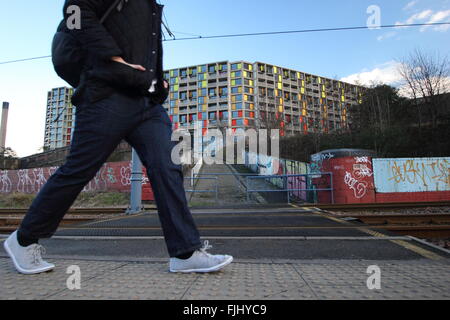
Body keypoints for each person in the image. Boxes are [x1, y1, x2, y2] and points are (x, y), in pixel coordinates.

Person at [4, 0, 233, 275]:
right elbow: (73, 11)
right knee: (79, 170)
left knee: (168, 166)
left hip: (146, 103)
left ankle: (185, 253)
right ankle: (24, 239)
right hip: (105, 95)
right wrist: (114, 58)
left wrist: (158, 83)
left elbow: (144, 50)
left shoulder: (149, 6)